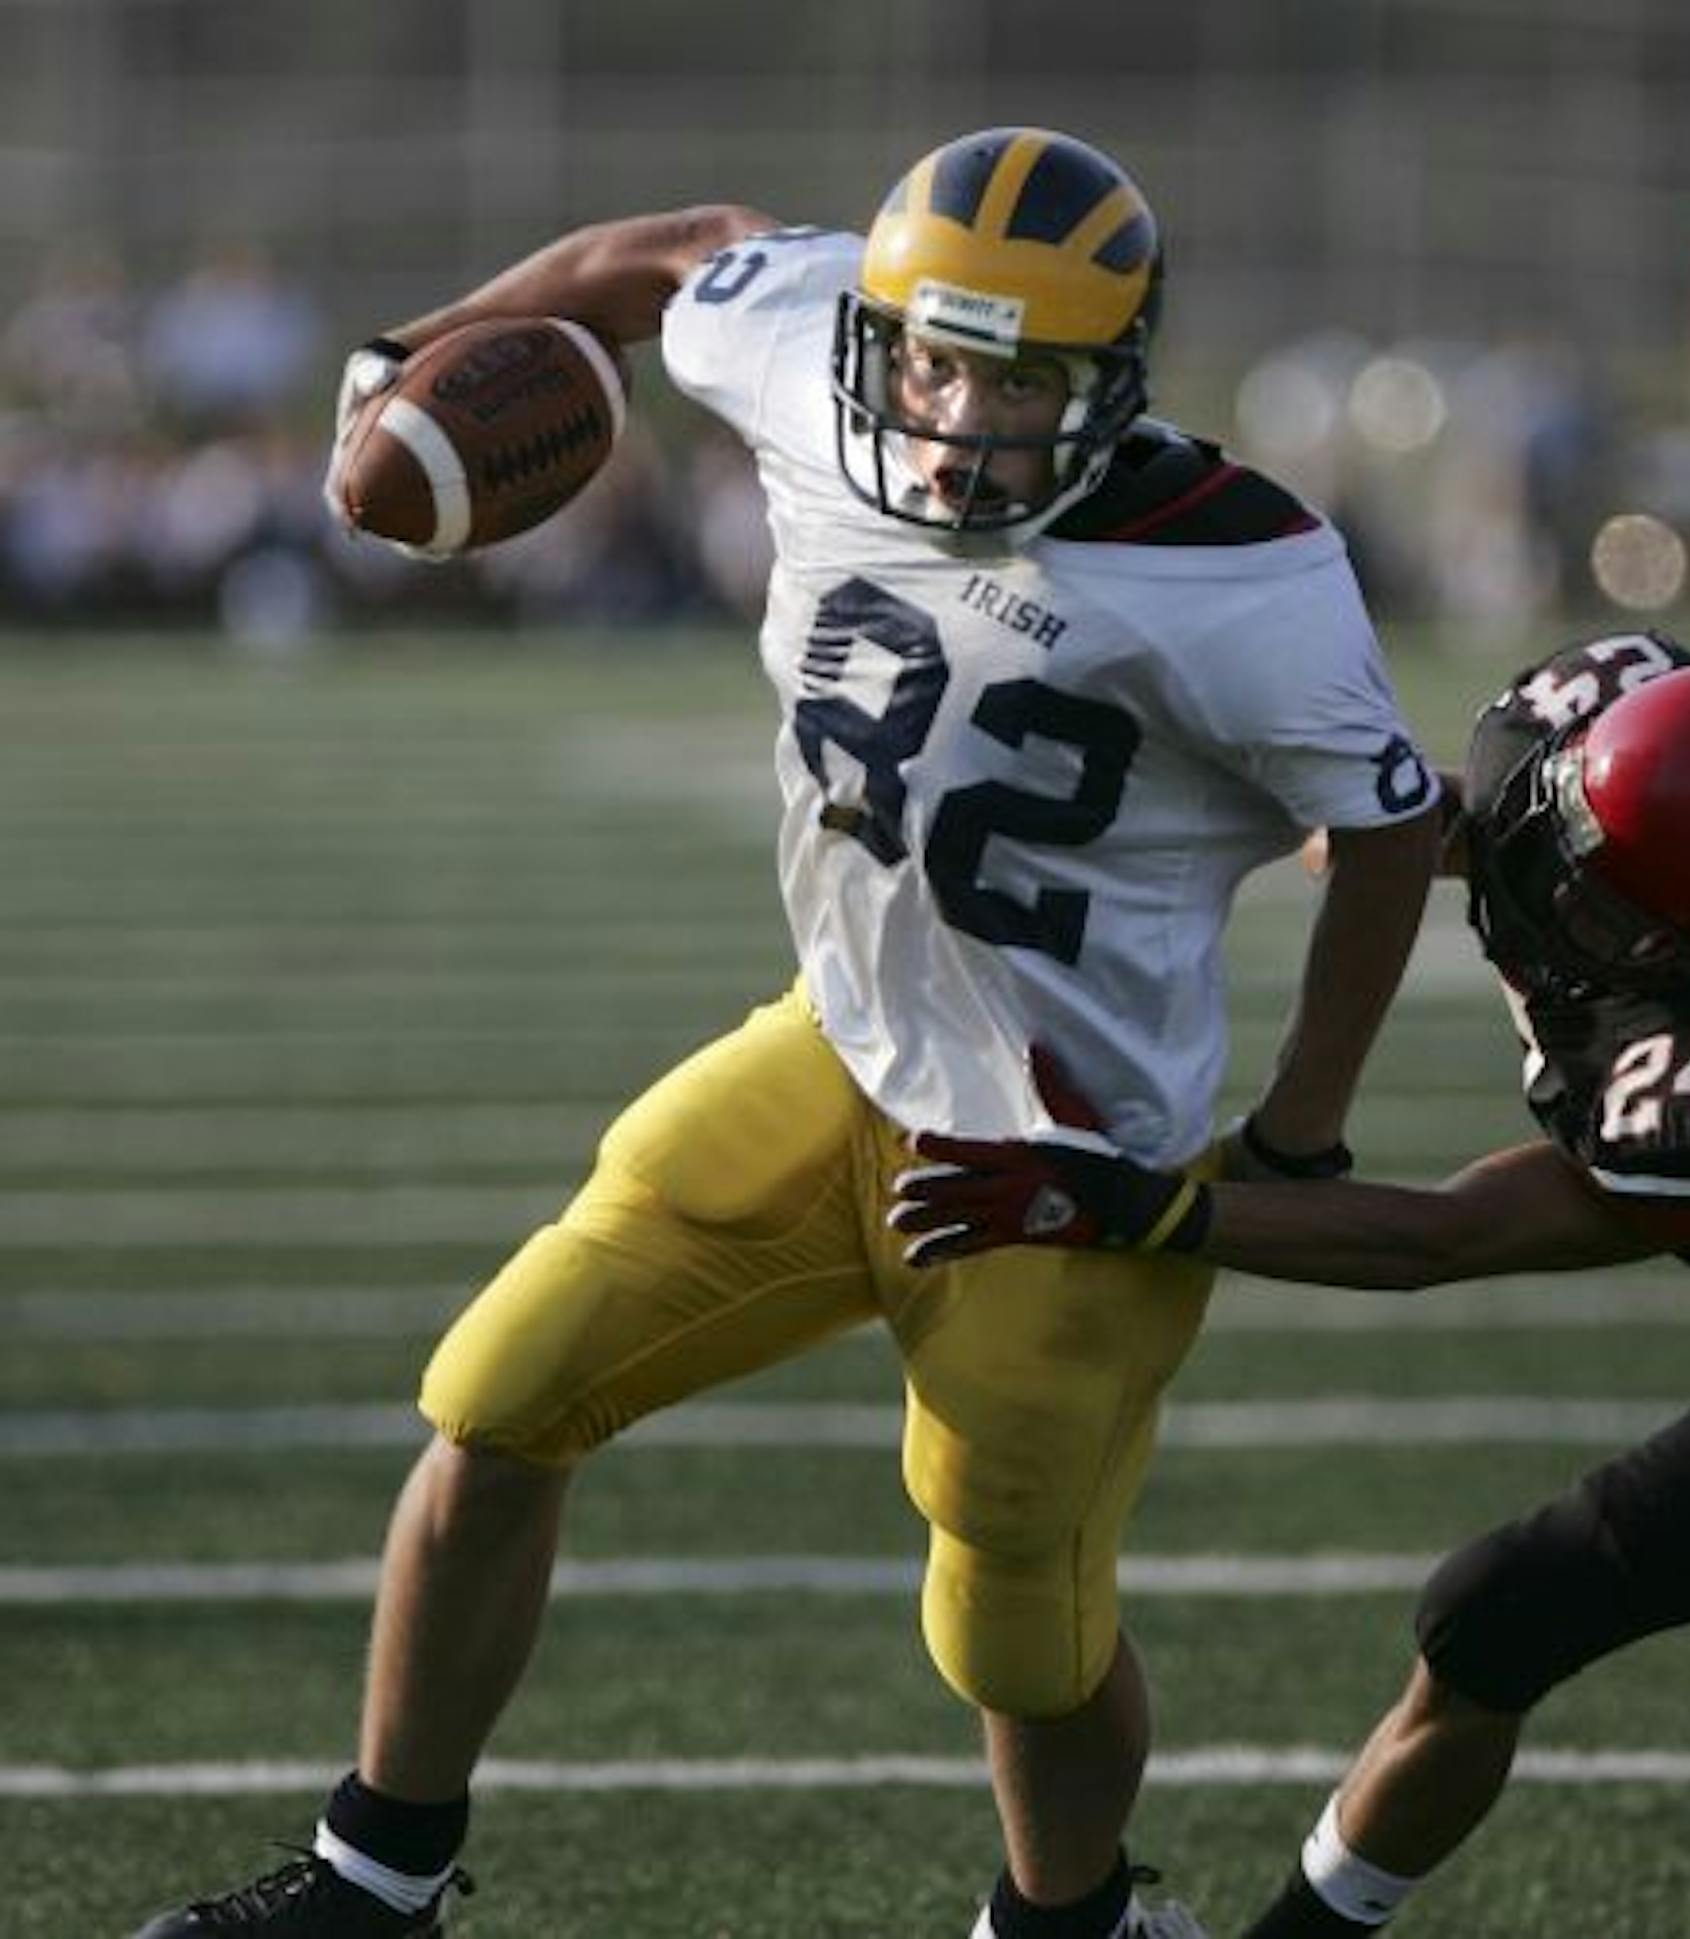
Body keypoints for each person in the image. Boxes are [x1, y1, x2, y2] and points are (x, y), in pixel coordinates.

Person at [129, 127, 1445, 1939]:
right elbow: (672, 247)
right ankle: (378, 1882)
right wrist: (415, 348)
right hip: (831, 1050)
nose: (967, 409)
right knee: (498, 1398)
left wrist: (1300, 1129)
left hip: (1054, 1165)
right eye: (940, 357)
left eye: (1026, 377)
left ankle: (1073, 1924)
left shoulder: (1245, 568)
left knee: (1019, 1637)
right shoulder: (814, 343)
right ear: (880, 332)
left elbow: (1386, 827)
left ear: (1117, 378)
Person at [891, 629, 1690, 1936]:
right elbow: (1438, 822)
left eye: (1617, 915)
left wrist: (1144, 1210)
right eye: (1569, 845)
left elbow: (1442, 1239)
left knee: (1497, 1616)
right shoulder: (1592, 764)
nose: (1565, 902)